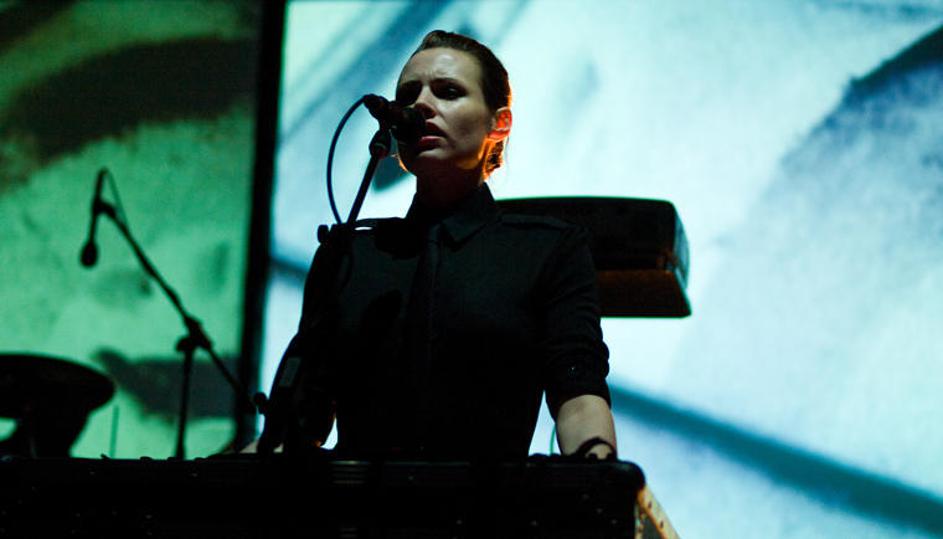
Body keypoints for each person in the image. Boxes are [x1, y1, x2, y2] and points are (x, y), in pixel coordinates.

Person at [265, 30, 616, 461]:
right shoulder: (349, 254)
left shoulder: (548, 250)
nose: (421, 106)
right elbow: (300, 421)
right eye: (408, 95)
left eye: (448, 92)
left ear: (499, 123)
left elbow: (578, 394)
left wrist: (602, 477)